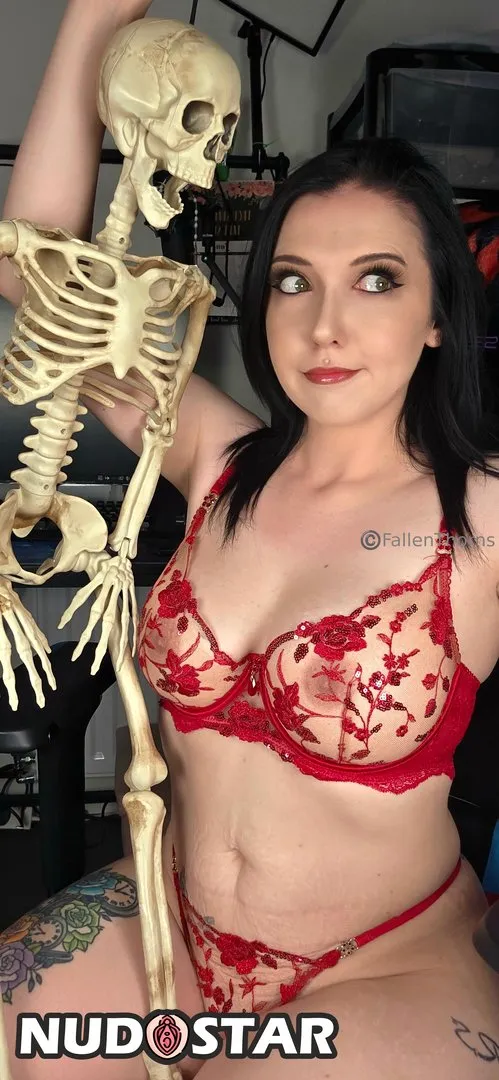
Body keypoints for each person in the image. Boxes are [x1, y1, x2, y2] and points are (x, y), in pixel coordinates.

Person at [1, 2, 499, 1078]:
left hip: (381, 962)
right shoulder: (214, 456)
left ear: (435, 317)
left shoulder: (484, 515)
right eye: (292, 280)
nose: (325, 325)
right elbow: (34, 272)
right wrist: (94, 16)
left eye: (377, 279)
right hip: (170, 919)